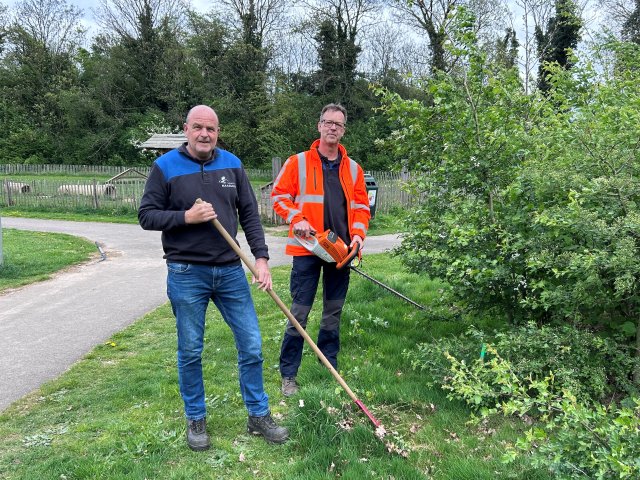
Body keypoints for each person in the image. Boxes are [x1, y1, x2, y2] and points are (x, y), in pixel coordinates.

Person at [138, 105, 288, 451]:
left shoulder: (232, 164)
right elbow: (146, 216)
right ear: (186, 129)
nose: (205, 134)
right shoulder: (164, 168)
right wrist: (186, 217)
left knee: (251, 343)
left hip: (231, 270)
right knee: (190, 350)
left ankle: (258, 414)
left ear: (218, 131)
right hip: (186, 272)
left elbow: (249, 213)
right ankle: (196, 418)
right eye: (198, 127)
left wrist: (262, 259)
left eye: (212, 128)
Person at [271, 103, 371, 397]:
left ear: (343, 130)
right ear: (319, 126)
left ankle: (329, 365)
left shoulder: (353, 168)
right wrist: (296, 218)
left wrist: (358, 237)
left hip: (341, 252)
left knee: (333, 311)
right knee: (299, 313)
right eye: (328, 122)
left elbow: (363, 207)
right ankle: (288, 374)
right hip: (307, 249)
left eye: (338, 125)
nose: (332, 128)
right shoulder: (297, 162)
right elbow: (278, 196)